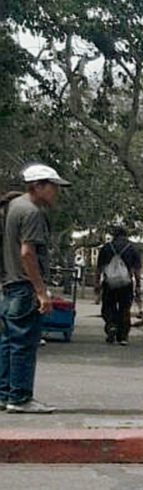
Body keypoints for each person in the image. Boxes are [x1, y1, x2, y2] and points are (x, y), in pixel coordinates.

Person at [0, 163, 70, 413]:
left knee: (8, 343)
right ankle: (20, 397)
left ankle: (5, 393)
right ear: (38, 186)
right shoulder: (32, 212)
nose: (55, 192)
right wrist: (40, 291)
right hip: (24, 287)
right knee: (24, 344)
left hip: (10, 285)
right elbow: (27, 253)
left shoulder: (14, 207)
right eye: (53, 187)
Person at [95, 225, 142, 345]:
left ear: (113, 235)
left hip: (109, 282)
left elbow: (99, 267)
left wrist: (97, 283)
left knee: (108, 306)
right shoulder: (132, 248)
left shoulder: (106, 248)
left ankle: (111, 325)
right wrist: (138, 285)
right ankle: (123, 336)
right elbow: (137, 269)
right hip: (126, 283)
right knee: (125, 309)